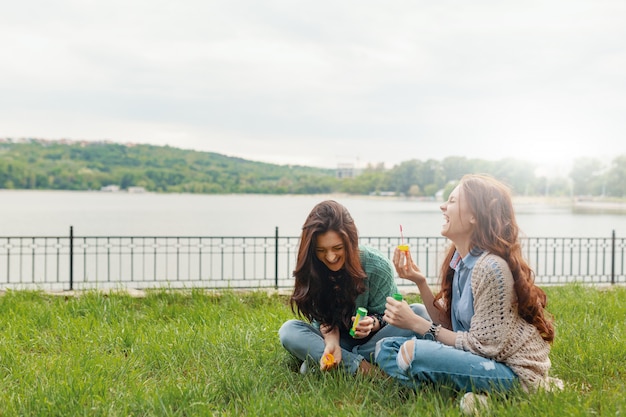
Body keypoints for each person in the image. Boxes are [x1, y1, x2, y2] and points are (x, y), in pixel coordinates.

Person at [375, 174, 562, 397]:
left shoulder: (491, 268)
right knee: (386, 349)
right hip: (479, 361)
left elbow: (483, 347)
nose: (443, 206)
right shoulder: (461, 262)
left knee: (413, 352)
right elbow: (451, 327)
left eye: (452, 201)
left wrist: (416, 323)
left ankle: (483, 393)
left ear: (475, 215)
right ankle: (465, 392)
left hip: (513, 373)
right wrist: (420, 281)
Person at [279, 200, 427, 375]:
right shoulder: (313, 268)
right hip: (336, 340)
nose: (330, 257)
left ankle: (335, 363)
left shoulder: (377, 266)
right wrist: (332, 341)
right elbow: (321, 319)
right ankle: (368, 370)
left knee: (419, 312)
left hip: (375, 341)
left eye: (337, 248)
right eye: (321, 250)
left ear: (351, 242)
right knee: (289, 331)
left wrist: (372, 324)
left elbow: (390, 316)